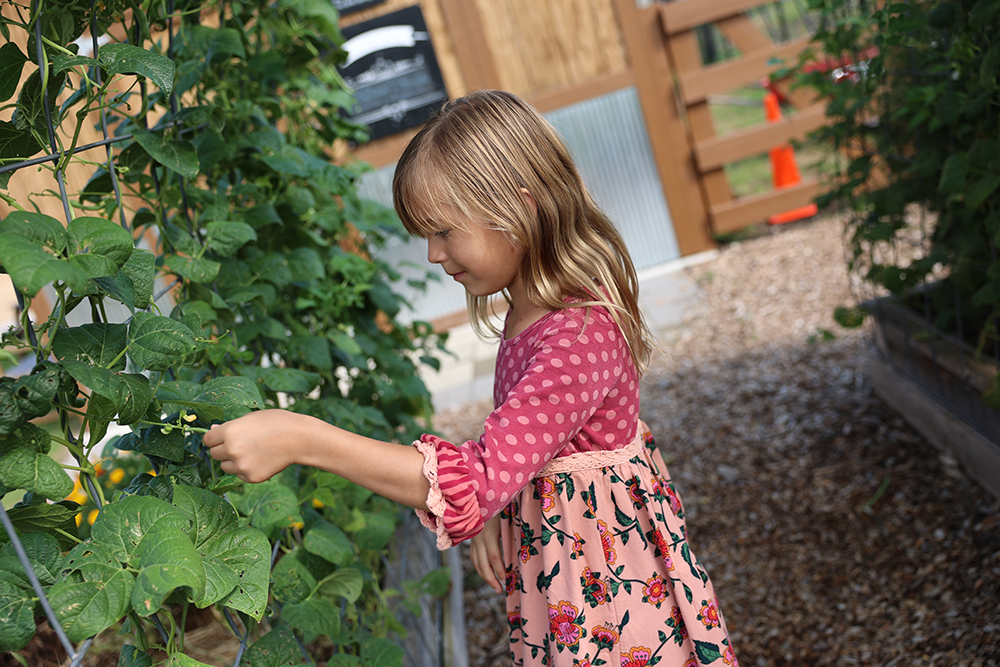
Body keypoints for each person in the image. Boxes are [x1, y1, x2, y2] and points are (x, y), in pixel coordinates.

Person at [204, 90, 738, 667]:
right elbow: (518, 449)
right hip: (581, 581)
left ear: (521, 209)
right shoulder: (531, 308)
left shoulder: (579, 335)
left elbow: (479, 479)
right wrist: (501, 505)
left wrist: (300, 437)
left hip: (613, 604)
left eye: (444, 232)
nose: (433, 254)